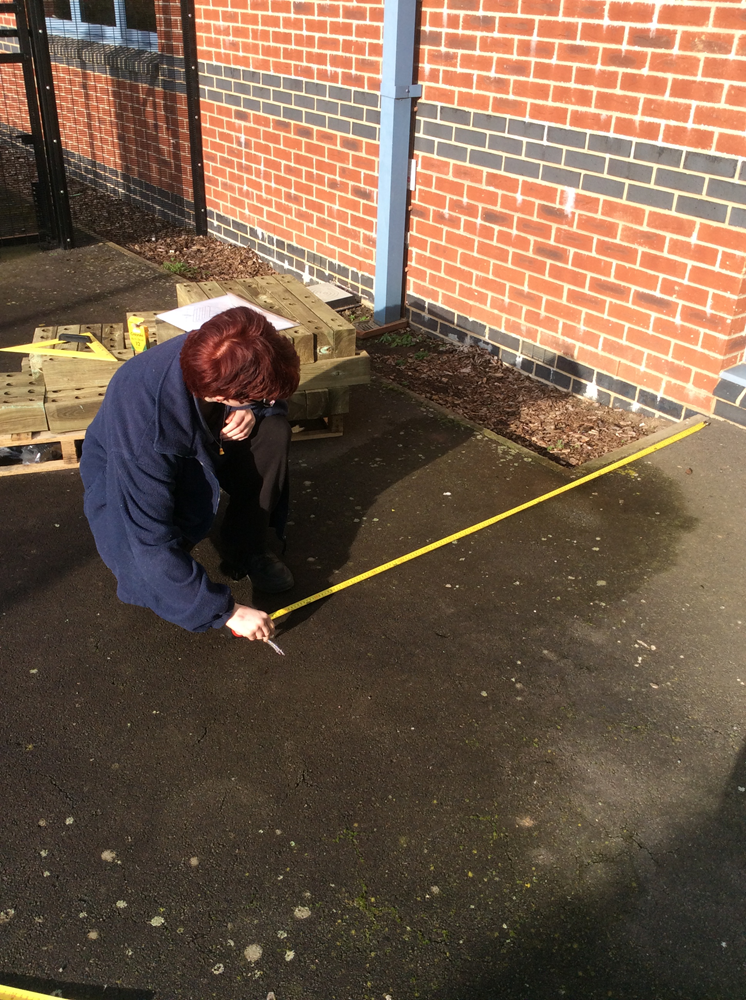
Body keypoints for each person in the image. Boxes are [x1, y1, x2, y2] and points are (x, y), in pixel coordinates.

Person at [80, 306, 300, 642]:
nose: (264, 399)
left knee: (273, 430)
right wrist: (225, 611)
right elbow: (147, 540)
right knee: (145, 555)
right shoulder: (144, 431)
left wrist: (251, 409)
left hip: (206, 436)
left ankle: (246, 546)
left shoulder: (220, 347)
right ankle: (180, 575)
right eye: (253, 397)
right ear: (221, 394)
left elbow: (269, 398)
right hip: (136, 463)